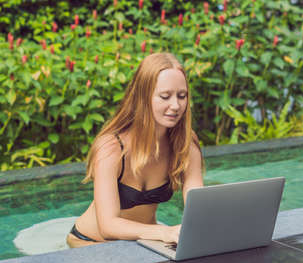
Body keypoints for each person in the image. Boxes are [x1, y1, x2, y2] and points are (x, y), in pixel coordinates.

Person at [66, 53, 204, 248]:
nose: (176, 105)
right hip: (90, 242)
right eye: (165, 96)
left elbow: (199, 206)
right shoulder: (112, 149)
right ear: (143, 98)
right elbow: (108, 226)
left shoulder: (185, 144)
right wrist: (165, 232)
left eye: (182, 96)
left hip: (144, 242)